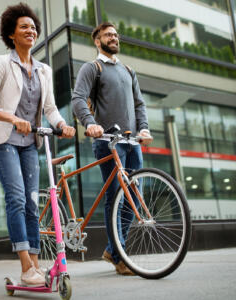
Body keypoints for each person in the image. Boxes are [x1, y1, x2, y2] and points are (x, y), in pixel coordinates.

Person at [0, 3, 75, 286]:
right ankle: (24, 266)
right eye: (24, 27)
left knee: (33, 203)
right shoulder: (2, 64)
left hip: (29, 143)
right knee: (17, 198)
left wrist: (61, 124)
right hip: (3, 140)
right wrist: (10, 117)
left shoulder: (43, 70)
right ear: (11, 34)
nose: (30, 30)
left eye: (33, 27)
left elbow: (51, 108)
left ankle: (34, 266)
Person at [72, 22, 152, 275]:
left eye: (116, 34)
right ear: (97, 41)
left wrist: (145, 129)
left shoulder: (128, 70)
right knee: (115, 196)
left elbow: (139, 104)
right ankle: (120, 256)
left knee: (133, 197)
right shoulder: (92, 68)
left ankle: (115, 250)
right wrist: (90, 123)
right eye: (108, 35)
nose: (114, 38)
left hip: (131, 143)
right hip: (107, 141)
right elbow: (77, 99)